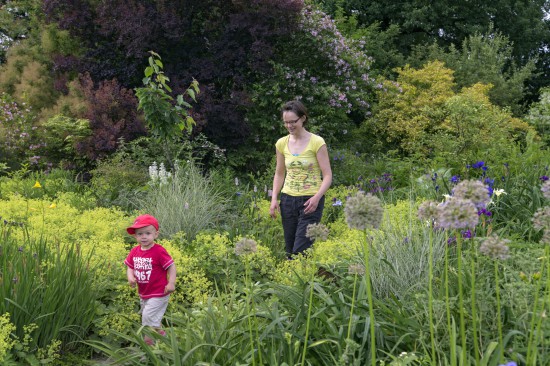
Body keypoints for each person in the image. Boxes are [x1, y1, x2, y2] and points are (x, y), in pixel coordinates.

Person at [269, 100, 332, 258]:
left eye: (293, 122)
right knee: (290, 251)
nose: (289, 126)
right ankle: (296, 281)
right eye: (286, 122)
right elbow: (279, 173)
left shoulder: (317, 142)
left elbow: (328, 176)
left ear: (303, 118)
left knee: (301, 250)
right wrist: (274, 198)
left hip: (310, 202)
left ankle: (305, 279)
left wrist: (317, 198)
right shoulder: (281, 143)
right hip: (288, 200)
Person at [124, 214, 176, 345]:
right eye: (140, 233)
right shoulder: (135, 251)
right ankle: (166, 340)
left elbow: (171, 266)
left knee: (147, 320)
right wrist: (130, 277)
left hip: (159, 292)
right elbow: (130, 267)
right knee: (153, 320)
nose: (144, 236)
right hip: (144, 293)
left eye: (147, 233)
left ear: (156, 234)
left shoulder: (159, 251)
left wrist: (171, 283)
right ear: (135, 236)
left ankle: (148, 349)